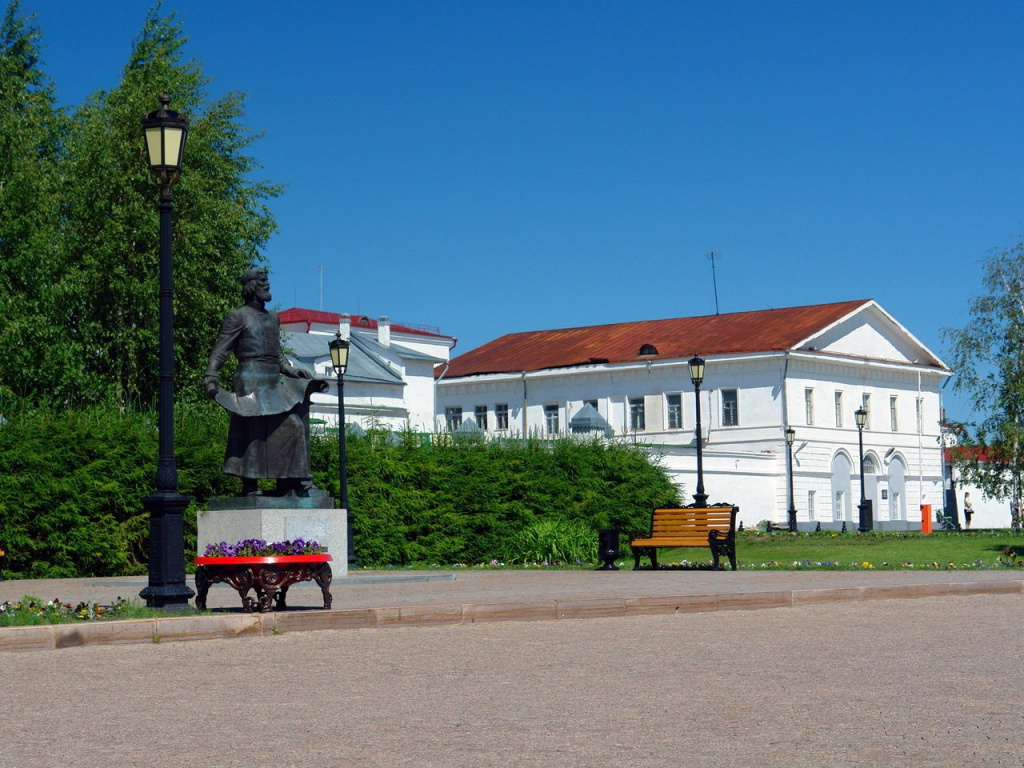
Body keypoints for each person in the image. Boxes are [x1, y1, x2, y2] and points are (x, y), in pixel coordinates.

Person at [205, 269, 325, 497]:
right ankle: (250, 486)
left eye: (267, 281)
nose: (268, 285)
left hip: (272, 380)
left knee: (293, 427)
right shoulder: (237, 316)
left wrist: (291, 370)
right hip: (249, 378)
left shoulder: (273, 318)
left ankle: (290, 482)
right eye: (263, 282)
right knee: (253, 432)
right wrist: (211, 374)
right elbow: (221, 350)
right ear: (251, 287)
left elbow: (277, 354)